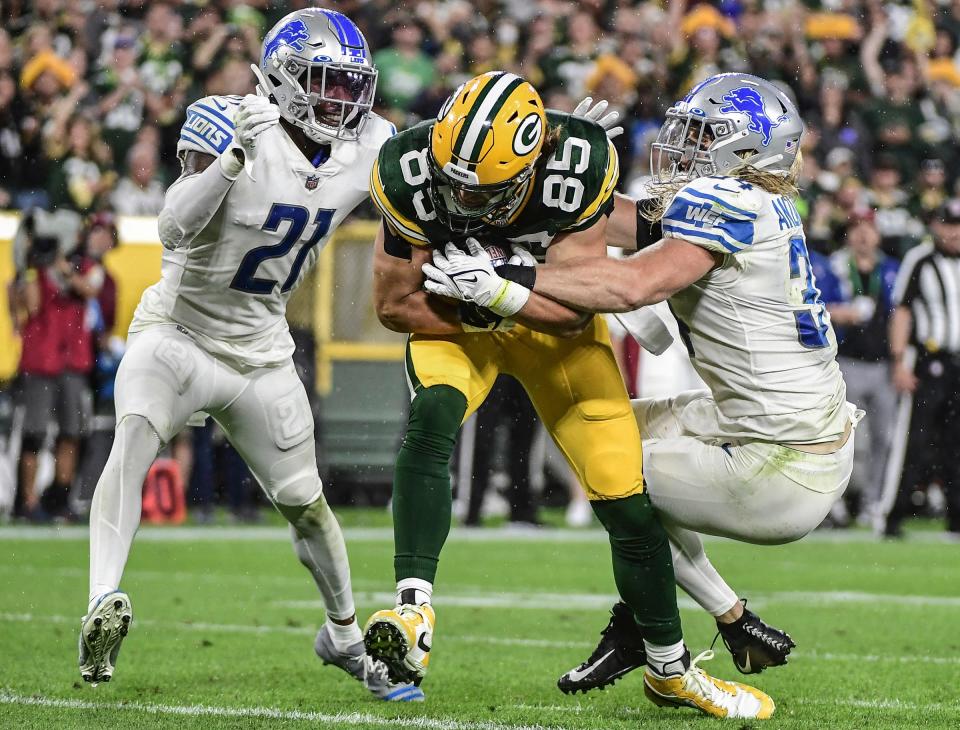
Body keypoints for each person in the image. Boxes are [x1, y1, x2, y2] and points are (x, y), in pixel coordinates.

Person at [424, 73, 859, 693]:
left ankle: (715, 621)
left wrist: (507, 275)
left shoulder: (733, 200)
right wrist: (559, 170)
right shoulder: (752, 200)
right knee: (598, 431)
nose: (681, 144)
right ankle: (691, 623)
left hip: (783, 458)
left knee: (615, 475)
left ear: (748, 148)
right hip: (769, 422)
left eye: (703, 133)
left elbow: (631, 285)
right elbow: (620, 224)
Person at [365, 70, 774, 720]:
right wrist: (480, 311)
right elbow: (393, 305)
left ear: (531, 167)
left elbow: (575, 312)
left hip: (545, 324)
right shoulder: (409, 168)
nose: (465, 205)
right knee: (433, 418)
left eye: (487, 193)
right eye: (455, 189)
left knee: (624, 495)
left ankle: (671, 670)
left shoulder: (574, 168)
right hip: (460, 323)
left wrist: (500, 290)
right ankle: (412, 611)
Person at [79, 8, 421, 702]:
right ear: (286, 80)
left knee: (307, 504)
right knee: (136, 437)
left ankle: (345, 638)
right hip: (178, 333)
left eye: (351, 85)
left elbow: (440, 165)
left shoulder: (368, 144)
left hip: (262, 352)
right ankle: (101, 600)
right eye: (326, 83)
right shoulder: (231, 121)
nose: (342, 101)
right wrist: (232, 158)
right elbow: (174, 226)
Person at [880, 199, 960, 538]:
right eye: (947, 223)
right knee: (914, 440)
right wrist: (900, 361)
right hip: (931, 362)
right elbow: (903, 311)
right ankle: (893, 514)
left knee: (956, 443)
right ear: (934, 226)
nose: (953, 231)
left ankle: (956, 516)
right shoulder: (921, 260)